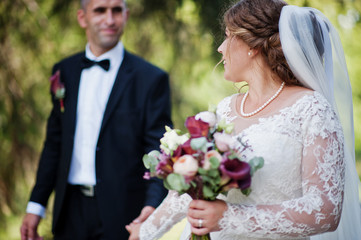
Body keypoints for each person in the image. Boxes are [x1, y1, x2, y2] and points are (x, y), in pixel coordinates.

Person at [126, 0, 361, 239]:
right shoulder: (224, 109)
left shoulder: (312, 109)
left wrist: (228, 217)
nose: (220, 47)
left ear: (252, 46)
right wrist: (144, 232)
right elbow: (187, 194)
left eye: (228, 37)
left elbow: (324, 211)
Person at [20, 0, 172, 239]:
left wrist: (152, 205)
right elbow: (54, 143)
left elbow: (158, 150)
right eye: (100, 10)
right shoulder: (64, 71)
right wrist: (35, 205)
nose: (109, 19)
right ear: (83, 18)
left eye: (116, 11)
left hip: (124, 212)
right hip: (69, 210)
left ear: (126, 15)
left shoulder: (151, 79)